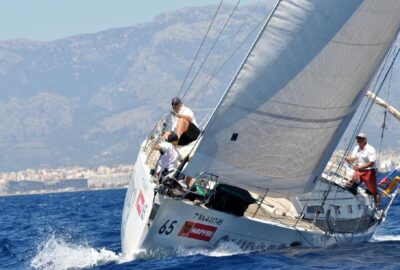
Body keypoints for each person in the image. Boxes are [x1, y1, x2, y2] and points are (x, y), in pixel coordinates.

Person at [345, 133, 381, 210]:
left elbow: (371, 163)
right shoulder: (356, 148)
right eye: (357, 138)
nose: (358, 140)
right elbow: (353, 157)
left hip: (369, 172)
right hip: (359, 171)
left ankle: (378, 207)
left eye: (360, 138)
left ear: (365, 140)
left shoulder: (371, 149)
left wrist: (360, 167)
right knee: (351, 182)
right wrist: (348, 159)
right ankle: (353, 195)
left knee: (374, 192)